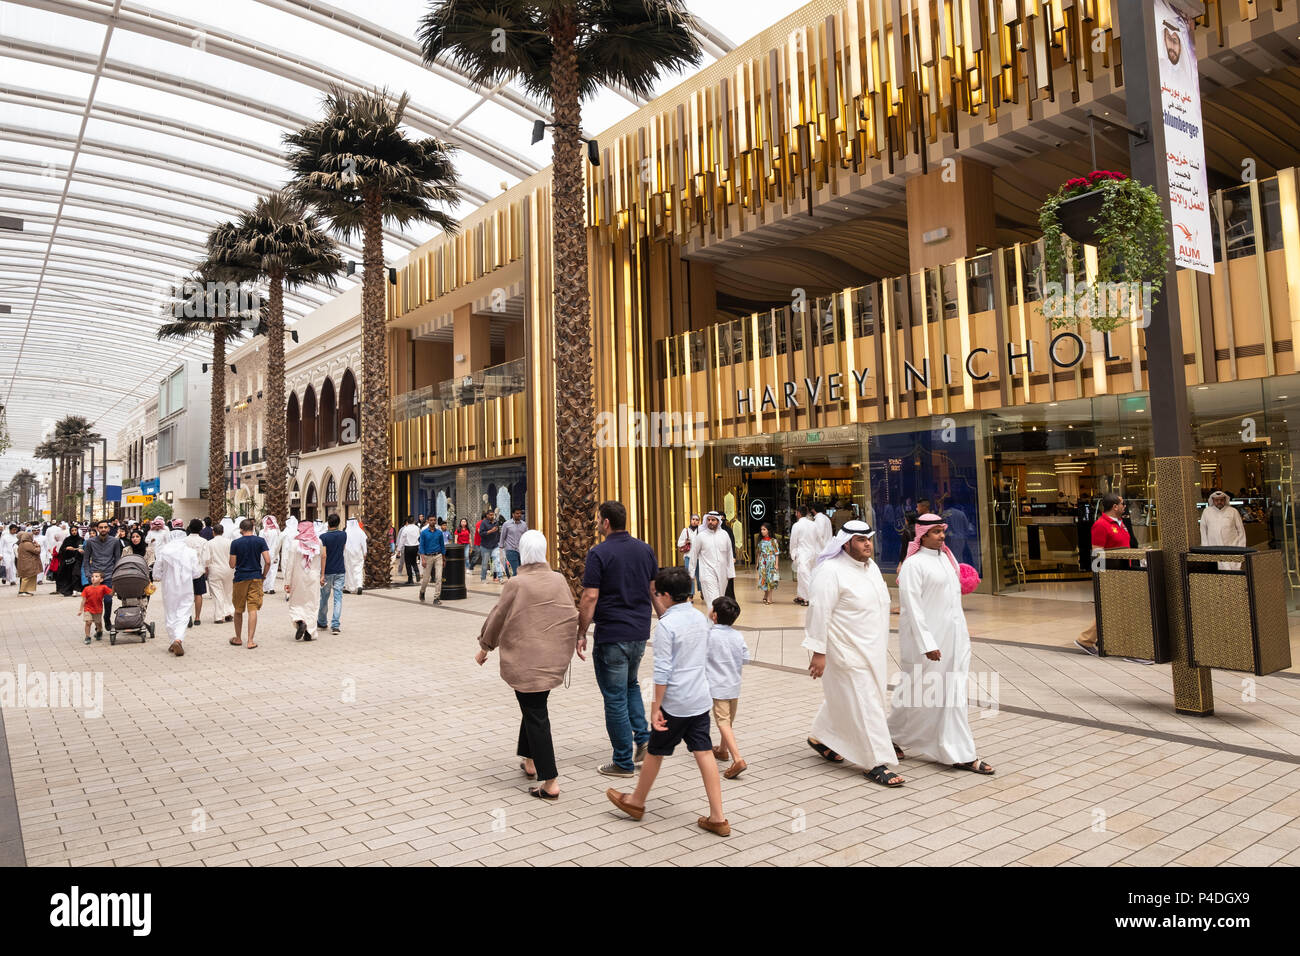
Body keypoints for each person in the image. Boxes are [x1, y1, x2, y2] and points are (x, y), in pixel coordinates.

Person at [606, 566, 730, 837]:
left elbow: (662, 671)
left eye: (656, 594)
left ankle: (636, 802)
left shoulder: (666, 626)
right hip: (699, 698)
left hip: (675, 702)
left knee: (655, 751)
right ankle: (718, 817)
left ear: (664, 595)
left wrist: (655, 709)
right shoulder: (700, 619)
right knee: (704, 751)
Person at [475, 529, 579, 800]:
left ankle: (550, 781)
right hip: (553, 660)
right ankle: (530, 762)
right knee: (533, 708)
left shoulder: (516, 584)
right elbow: (570, 613)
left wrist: (485, 647)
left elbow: (498, 617)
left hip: (526, 662)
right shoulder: (558, 579)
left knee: (536, 715)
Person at [888, 515, 994, 776]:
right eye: (935, 532)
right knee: (917, 691)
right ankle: (893, 735)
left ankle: (957, 751)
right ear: (922, 535)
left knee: (951, 694)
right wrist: (927, 643)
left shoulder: (948, 559)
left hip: (955, 639)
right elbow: (912, 609)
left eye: (942, 531)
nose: (942, 536)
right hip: (927, 644)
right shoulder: (913, 565)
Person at [803, 520, 904, 787]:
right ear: (846, 543)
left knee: (853, 697)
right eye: (861, 539)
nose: (867, 543)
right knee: (864, 701)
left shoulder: (870, 569)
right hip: (845, 649)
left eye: (869, 538)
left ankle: (821, 736)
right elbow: (818, 613)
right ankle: (875, 761)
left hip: (872, 648)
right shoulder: (830, 571)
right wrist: (818, 652)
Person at [576, 500, 658, 777]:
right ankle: (643, 740)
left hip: (612, 635)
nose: (597, 523)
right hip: (638, 634)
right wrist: (666, 621)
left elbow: (590, 596)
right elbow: (653, 590)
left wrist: (580, 632)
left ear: (606, 522)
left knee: (614, 697)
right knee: (631, 684)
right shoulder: (645, 549)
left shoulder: (598, 553)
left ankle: (623, 761)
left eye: (598, 519)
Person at [1075, 492, 1132, 656]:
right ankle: (1086, 639)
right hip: (1111, 575)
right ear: (1115, 507)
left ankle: (1092, 639)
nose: (1124, 506)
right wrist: (1100, 577)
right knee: (1110, 608)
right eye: (1122, 504)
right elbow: (1097, 552)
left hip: (1123, 571)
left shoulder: (1120, 523)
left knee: (1113, 608)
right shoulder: (1101, 525)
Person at [706, 595, 750, 780]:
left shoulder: (709, 635)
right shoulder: (737, 635)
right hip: (734, 685)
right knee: (728, 721)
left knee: (722, 722)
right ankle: (723, 750)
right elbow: (745, 658)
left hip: (718, 687)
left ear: (714, 615)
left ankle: (737, 758)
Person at [154, 530, 203, 657]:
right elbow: (196, 573)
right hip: (186, 586)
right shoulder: (190, 552)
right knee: (184, 612)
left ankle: (173, 640)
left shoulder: (163, 551)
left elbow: (156, 573)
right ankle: (178, 639)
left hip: (168, 587)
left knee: (170, 612)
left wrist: (160, 576)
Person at [229, 517, 270, 649]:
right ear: (253, 528)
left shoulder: (235, 543)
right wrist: (264, 575)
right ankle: (250, 641)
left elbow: (232, 564)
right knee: (253, 609)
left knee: (238, 609)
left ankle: (238, 638)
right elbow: (268, 561)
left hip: (240, 578)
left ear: (241, 529)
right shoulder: (260, 541)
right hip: (256, 578)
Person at [284, 519, 323, 642]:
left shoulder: (295, 544)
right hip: (313, 578)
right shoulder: (318, 542)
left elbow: (289, 565)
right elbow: (321, 560)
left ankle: (300, 621)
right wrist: (322, 575)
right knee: (312, 604)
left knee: (296, 603)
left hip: (298, 578)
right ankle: (309, 632)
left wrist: (287, 582)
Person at [83, 520, 123, 624]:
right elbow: (86, 559)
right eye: (101, 527)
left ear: (109, 529)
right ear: (97, 529)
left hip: (109, 574)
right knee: (95, 602)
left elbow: (117, 558)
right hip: (95, 576)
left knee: (108, 600)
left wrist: (116, 573)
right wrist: (88, 574)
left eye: (105, 527)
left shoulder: (115, 541)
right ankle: (98, 624)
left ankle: (107, 618)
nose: (103, 529)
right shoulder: (90, 542)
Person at [693, 511, 734, 607]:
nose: (710, 522)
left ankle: (715, 620)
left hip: (722, 573)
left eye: (713, 520)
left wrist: (730, 573)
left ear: (718, 521)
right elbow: (693, 555)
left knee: (719, 599)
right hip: (707, 573)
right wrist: (691, 573)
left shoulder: (724, 535)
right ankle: (714, 620)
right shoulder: (701, 536)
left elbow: (729, 554)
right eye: (708, 520)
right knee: (713, 600)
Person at [1200, 490, 1247, 570]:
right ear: (1213, 500)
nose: (1219, 502)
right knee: (1217, 573)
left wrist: (1241, 548)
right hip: (1213, 549)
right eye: (1216, 500)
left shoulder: (1233, 511)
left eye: (1221, 500)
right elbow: (1203, 530)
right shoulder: (1206, 512)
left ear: (1225, 500)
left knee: (1233, 572)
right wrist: (1205, 548)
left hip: (1231, 548)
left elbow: (1241, 531)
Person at [317, 513, 348, 632]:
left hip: (328, 570)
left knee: (324, 597)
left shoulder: (323, 537)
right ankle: (335, 625)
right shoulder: (343, 535)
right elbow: (343, 549)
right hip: (340, 569)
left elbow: (323, 555)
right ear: (338, 523)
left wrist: (322, 574)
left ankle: (322, 621)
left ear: (328, 523)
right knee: (338, 597)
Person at [788, 505, 819, 607]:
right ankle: (801, 596)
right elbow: (817, 539)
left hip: (802, 553)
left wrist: (793, 553)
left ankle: (809, 599)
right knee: (803, 575)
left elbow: (793, 541)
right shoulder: (813, 525)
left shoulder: (797, 526)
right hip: (813, 552)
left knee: (804, 576)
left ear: (798, 513)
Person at [183, 518, 210, 627]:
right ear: (200, 529)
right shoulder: (204, 541)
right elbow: (206, 558)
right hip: (199, 571)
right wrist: (206, 569)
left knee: (186, 595)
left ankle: (187, 615)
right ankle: (197, 617)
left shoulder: (184, 541)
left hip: (186, 571)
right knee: (198, 594)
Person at [205, 524, 234, 624]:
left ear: (213, 532)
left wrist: (206, 569)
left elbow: (207, 559)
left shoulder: (209, 543)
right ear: (223, 531)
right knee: (228, 592)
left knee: (217, 593)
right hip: (229, 569)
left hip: (215, 570)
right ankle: (228, 612)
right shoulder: (230, 542)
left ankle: (219, 616)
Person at [417, 515, 446, 605]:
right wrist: (423, 559)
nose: (433, 522)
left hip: (438, 556)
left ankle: (436, 598)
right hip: (427, 557)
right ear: (428, 521)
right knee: (425, 579)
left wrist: (444, 559)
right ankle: (422, 591)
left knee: (438, 577)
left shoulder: (439, 533)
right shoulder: (424, 533)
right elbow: (421, 546)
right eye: (431, 520)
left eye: (434, 520)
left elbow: (442, 545)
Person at [77, 570, 112, 644]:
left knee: (98, 623)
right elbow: (83, 600)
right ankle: (87, 637)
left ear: (101, 579)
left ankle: (99, 631)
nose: (93, 578)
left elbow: (111, 594)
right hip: (88, 608)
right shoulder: (86, 589)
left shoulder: (103, 587)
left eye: (96, 576)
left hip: (98, 609)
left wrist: (115, 586)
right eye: (92, 576)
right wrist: (80, 610)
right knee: (88, 622)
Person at [676, 513, 701, 601]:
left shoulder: (701, 531)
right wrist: (685, 542)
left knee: (699, 575)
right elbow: (679, 543)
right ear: (690, 520)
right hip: (688, 556)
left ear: (699, 522)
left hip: (699, 557)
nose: (694, 521)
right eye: (693, 519)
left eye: (697, 520)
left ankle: (701, 590)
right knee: (690, 575)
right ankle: (690, 593)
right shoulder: (685, 531)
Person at [56, 525, 85, 597]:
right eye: (72, 530)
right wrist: (67, 548)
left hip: (78, 560)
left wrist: (80, 551)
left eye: (75, 530)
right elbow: (61, 550)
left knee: (76, 574)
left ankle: (76, 589)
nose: (74, 532)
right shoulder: (67, 540)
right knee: (68, 575)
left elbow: (84, 549)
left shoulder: (81, 539)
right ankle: (68, 590)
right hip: (68, 561)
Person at [755, 522, 779, 603]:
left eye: (764, 529)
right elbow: (758, 553)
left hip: (771, 562)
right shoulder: (760, 541)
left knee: (770, 580)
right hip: (762, 562)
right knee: (763, 579)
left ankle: (769, 597)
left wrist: (776, 564)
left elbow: (776, 553)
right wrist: (757, 563)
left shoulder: (773, 541)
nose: (762, 531)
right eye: (761, 529)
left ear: (768, 530)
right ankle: (765, 594)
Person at [500, 507, 527, 578]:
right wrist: (501, 548)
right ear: (513, 514)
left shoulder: (524, 525)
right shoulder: (506, 524)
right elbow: (503, 536)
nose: (519, 515)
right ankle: (514, 586)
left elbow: (526, 537)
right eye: (517, 513)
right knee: (516, 571)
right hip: (510, 549)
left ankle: (510, 577)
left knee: (521, 570)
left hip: (521, 550)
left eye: (520, 513)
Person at [343, 517, 366, 595]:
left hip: (348, 554)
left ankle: (350, 588)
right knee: (358, 570)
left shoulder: (346, 532)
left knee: (349, 570)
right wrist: (365, 552)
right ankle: (359, 585)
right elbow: (364, 543)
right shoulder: (360, 532)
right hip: (358, 553)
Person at [396, 515, 420, 585]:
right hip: (415, 547)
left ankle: (410, 579)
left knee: (408, 564)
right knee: (414, 562)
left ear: (407, 521)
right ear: (414, 521)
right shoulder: (417, 528)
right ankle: (417, 571)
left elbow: (402, 540)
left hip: (408, 547)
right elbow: (419, 536)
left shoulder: (405, 529)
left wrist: (398, 550)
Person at [479, 511, 501, 583]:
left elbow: (498, 533)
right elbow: (481, 533)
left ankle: (500, 577)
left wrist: (498, 541)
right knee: (485, 564)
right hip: (485, 546)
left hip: (495, 546)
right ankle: (483, 578)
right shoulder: (483, 523)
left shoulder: (496, 523)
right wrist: (490, 531)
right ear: (487, 515)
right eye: (490, 515)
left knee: (497, 561)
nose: (492, 516)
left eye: (493, 515)